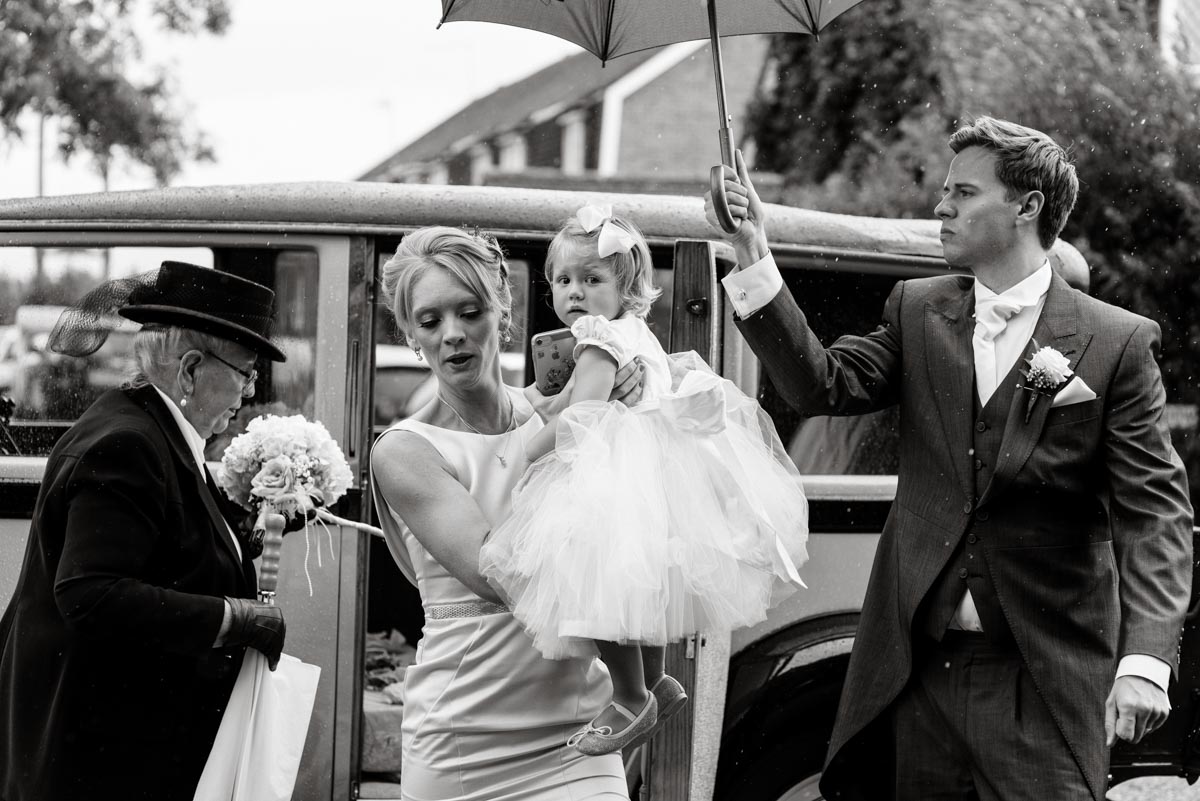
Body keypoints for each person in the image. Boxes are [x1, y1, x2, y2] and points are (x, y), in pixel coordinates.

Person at [705, 118, 1193, 801]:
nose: (941, 207)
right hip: (917, 677)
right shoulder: (917, 309)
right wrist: (752, 250)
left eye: (963, 193)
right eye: (944, 191)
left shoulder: (1117, 343)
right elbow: (821, 384)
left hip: (1041, 683)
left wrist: (1144, 659)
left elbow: (1156, 516)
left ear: (1028, 207)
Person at [479, 205, 809, 755]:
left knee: (602, 587)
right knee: (641, 587)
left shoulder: (598, 339)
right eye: (563, 280)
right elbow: (572, 397)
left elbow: (579, 416)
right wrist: (553, 403)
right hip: (653, 480)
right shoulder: (637, 334)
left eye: (592, 279)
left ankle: (631, 696)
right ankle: (657, 680)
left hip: (609, 475)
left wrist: (525, 450)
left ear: (626, 285)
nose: (574, 293)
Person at [369, 226, 643, 801]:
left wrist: (634, 409)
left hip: (581, 734)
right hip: (464, 743)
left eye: (469, 312)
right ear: (411, 336)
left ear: (502, 311)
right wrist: (577, 435)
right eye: (429, 322)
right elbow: (501, 574)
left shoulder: (559, 410)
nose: (453, 335)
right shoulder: (404, 451)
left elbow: (636, 509)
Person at [0, 261, 289, 801]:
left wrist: (244, 533)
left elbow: (165, 549)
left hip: (117, 743)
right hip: (99, 755)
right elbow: (91, 593)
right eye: (245, 373)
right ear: (190, 369)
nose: (249, 392)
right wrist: (236, 618)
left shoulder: (152, 427)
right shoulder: (128, 444)